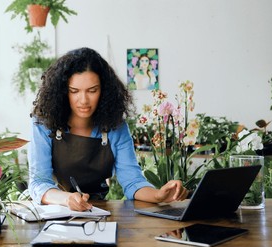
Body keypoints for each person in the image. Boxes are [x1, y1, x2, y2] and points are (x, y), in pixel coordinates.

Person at [27, 47, 188, 211]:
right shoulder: (44, 124)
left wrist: (158, 195)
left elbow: (132, 181)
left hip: (97, 209)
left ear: (104, 91)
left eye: (92, 90)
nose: (83, 100)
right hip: (53, 209)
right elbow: (39, 182)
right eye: (74, 91)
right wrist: (67, 199)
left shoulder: (115, 127)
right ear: (62, 92)